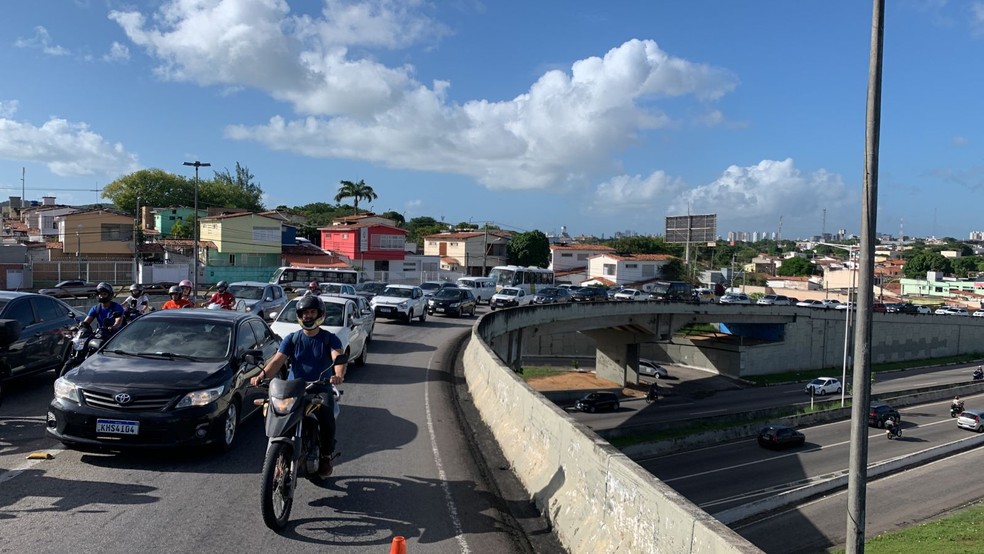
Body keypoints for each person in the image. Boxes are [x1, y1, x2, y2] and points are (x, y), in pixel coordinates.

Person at [251, 295, 346, 478]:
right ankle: (278, 457)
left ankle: (326, 456)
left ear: (320, 314)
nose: (308, 316)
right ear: (299, 316)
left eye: (312, 312)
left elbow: (338, 357)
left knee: (327, 413)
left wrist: (338, 375)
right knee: (276, 413)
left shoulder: (329, 339)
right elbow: (278, 361)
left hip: (320, 387)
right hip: (294, 388)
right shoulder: (292, 339)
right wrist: (261, 375)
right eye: (305, 313)